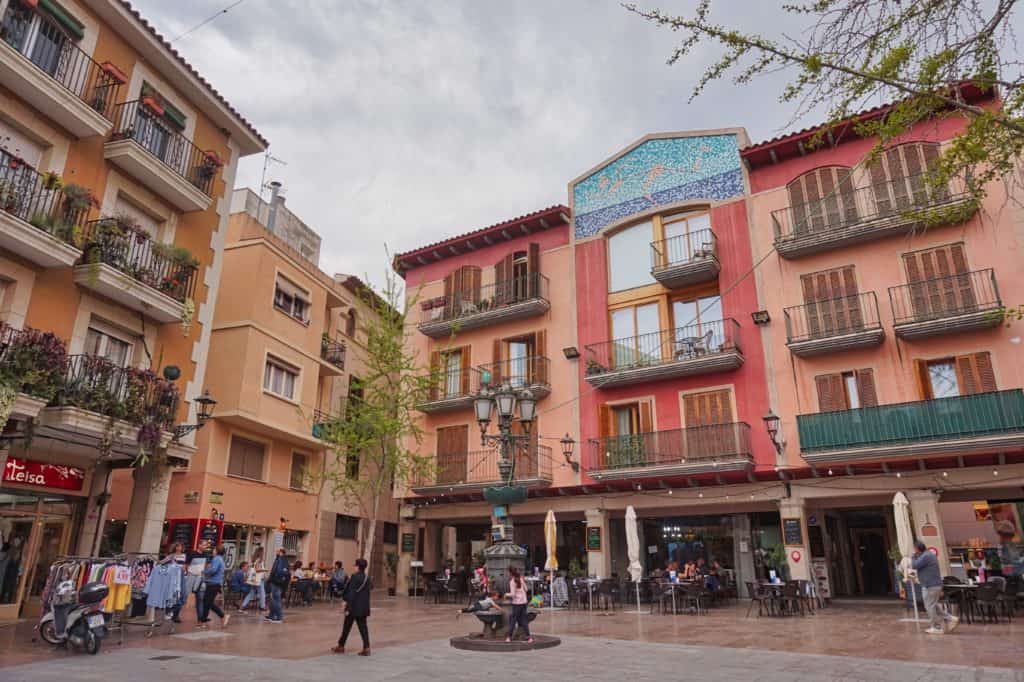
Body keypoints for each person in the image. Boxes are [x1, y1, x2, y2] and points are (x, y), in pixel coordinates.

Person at [912, 540, 958, 635]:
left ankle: (936, 627)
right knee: (933, 605)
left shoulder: (926, 556)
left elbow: (914, 565)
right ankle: (951, 618)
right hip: (932, 584)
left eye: (914, 548)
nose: (914, 550)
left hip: (930, 585)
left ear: (917, 549)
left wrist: (913, 557)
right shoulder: (928, 555)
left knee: (929, 606)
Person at [333, 557, 371, 656]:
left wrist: (347, 606)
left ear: (358, 567)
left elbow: (351, 593)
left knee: (346, 627)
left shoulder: (354, 577)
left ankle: (341, 646)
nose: (354, 567)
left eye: (355, 565)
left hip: (353, 607)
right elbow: (370, 587)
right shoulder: (367, 577)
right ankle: (366, 647)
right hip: (363, 607)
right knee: (363, 628)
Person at [198, 545, 230, 629]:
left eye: (214, 549)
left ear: (217, 551)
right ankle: (203, 621)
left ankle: (222, 616)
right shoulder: (220, 559)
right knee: (207, 602)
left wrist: (204, 571)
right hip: (215, 583)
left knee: (207, 602)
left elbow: (213, 570)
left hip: (213, 583)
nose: (213, 551)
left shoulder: (216, 559)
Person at [505, 567, 533, 644]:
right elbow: (526, 589)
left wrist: (506, 594)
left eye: (508, 573)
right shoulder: (520, 579)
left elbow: (513, 594)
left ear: (510, 573)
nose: (507, 574)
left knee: (513, 620)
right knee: (524, 620)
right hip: (524, 602)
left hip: (517, 604)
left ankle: (509, 637)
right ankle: (529, 637)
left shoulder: (512, 581)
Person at [265, 548, 290, 623]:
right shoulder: (281, 559)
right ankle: (271, 615)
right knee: (274, 599)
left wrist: (272, 578)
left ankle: (279, 617)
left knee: (276, 599)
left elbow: (279, 571)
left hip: (276, 581)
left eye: (278, 551)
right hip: (277, 581)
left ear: (281, 552)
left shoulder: (281, 560)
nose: (276, 552)